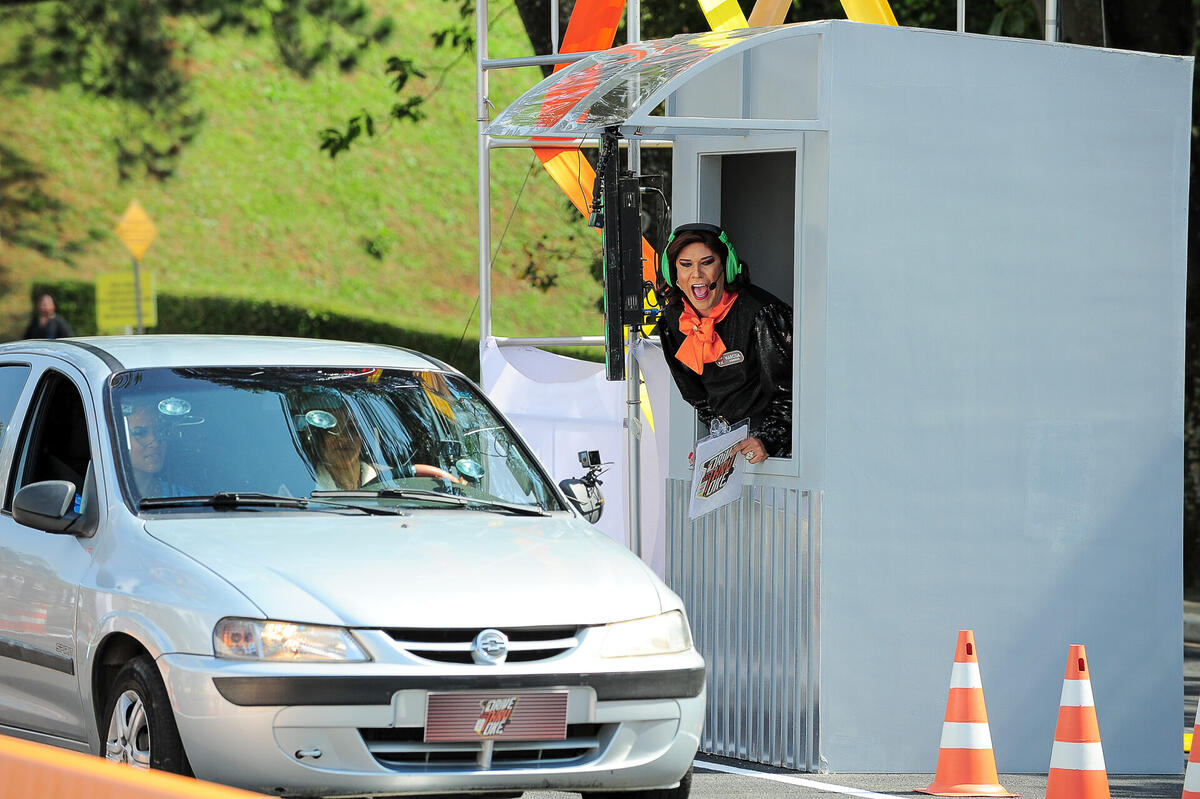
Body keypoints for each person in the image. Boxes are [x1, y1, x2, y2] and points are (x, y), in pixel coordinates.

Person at [656, 223, 793, 463]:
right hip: (734, 453)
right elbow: (698, 399)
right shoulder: (671, 322)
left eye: (707, 263)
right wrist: (718, 440)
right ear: (672, 273)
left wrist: (768, 440)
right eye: (685, 265)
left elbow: (791, 393)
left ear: (727, 267)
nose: (696, 274)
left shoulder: (763, 313)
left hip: (780, 454)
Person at [124, 403, 188, 497]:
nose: (155, 443)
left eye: (160, 431)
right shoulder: (102, 497)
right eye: (140, 433)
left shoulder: (186, 499)